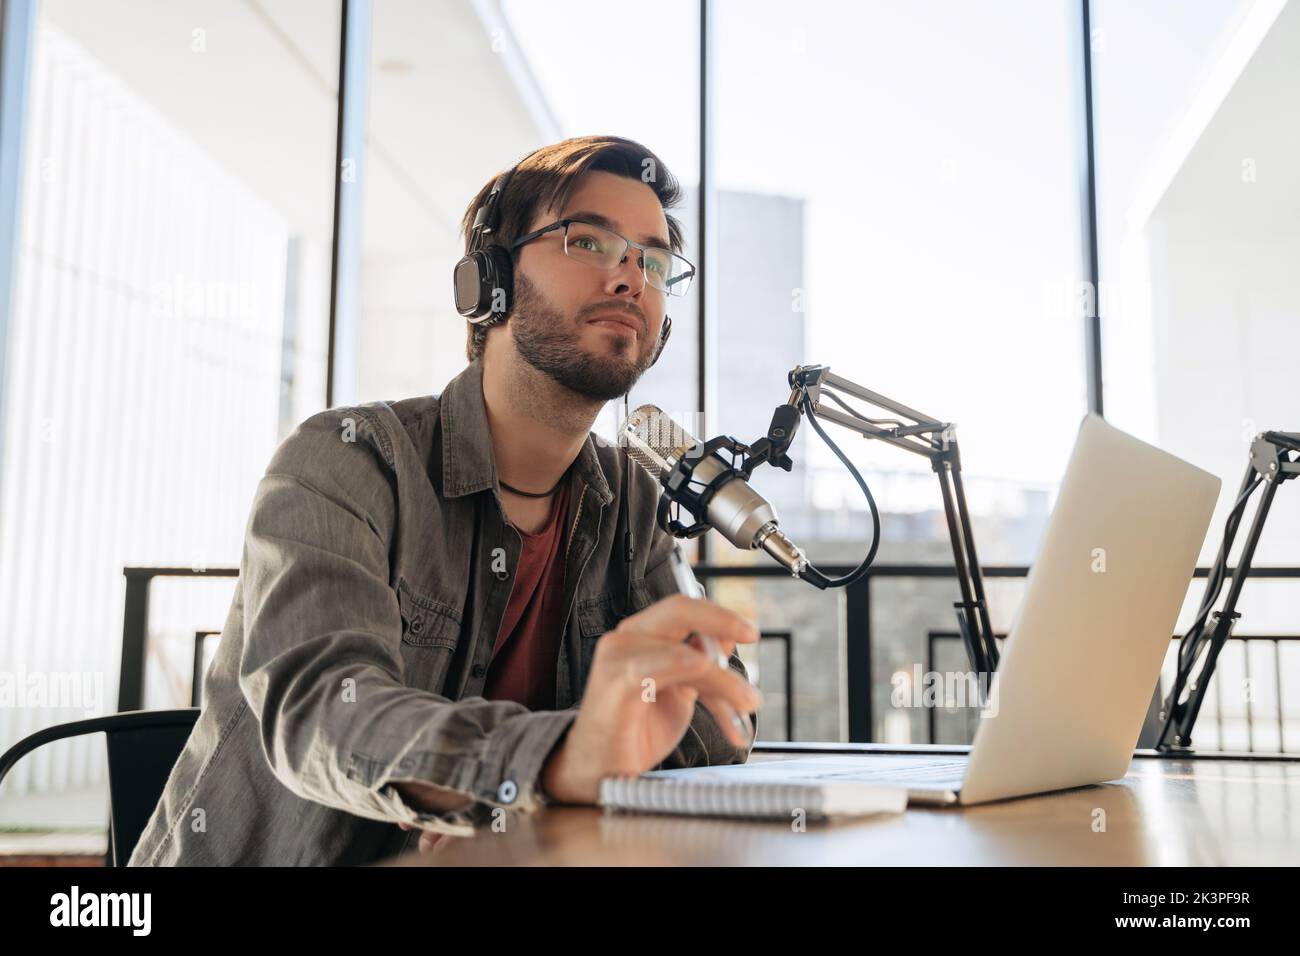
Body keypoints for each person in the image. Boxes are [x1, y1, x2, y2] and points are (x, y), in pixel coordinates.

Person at [128, 135, 762, 866]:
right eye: (589, 239)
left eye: (652, 260)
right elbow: (322, 711)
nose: (630, 277)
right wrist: (539, 766)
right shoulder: (345, 459)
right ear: (487, 283)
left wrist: (527, 789)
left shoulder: (631, 500)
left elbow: (716, 718)